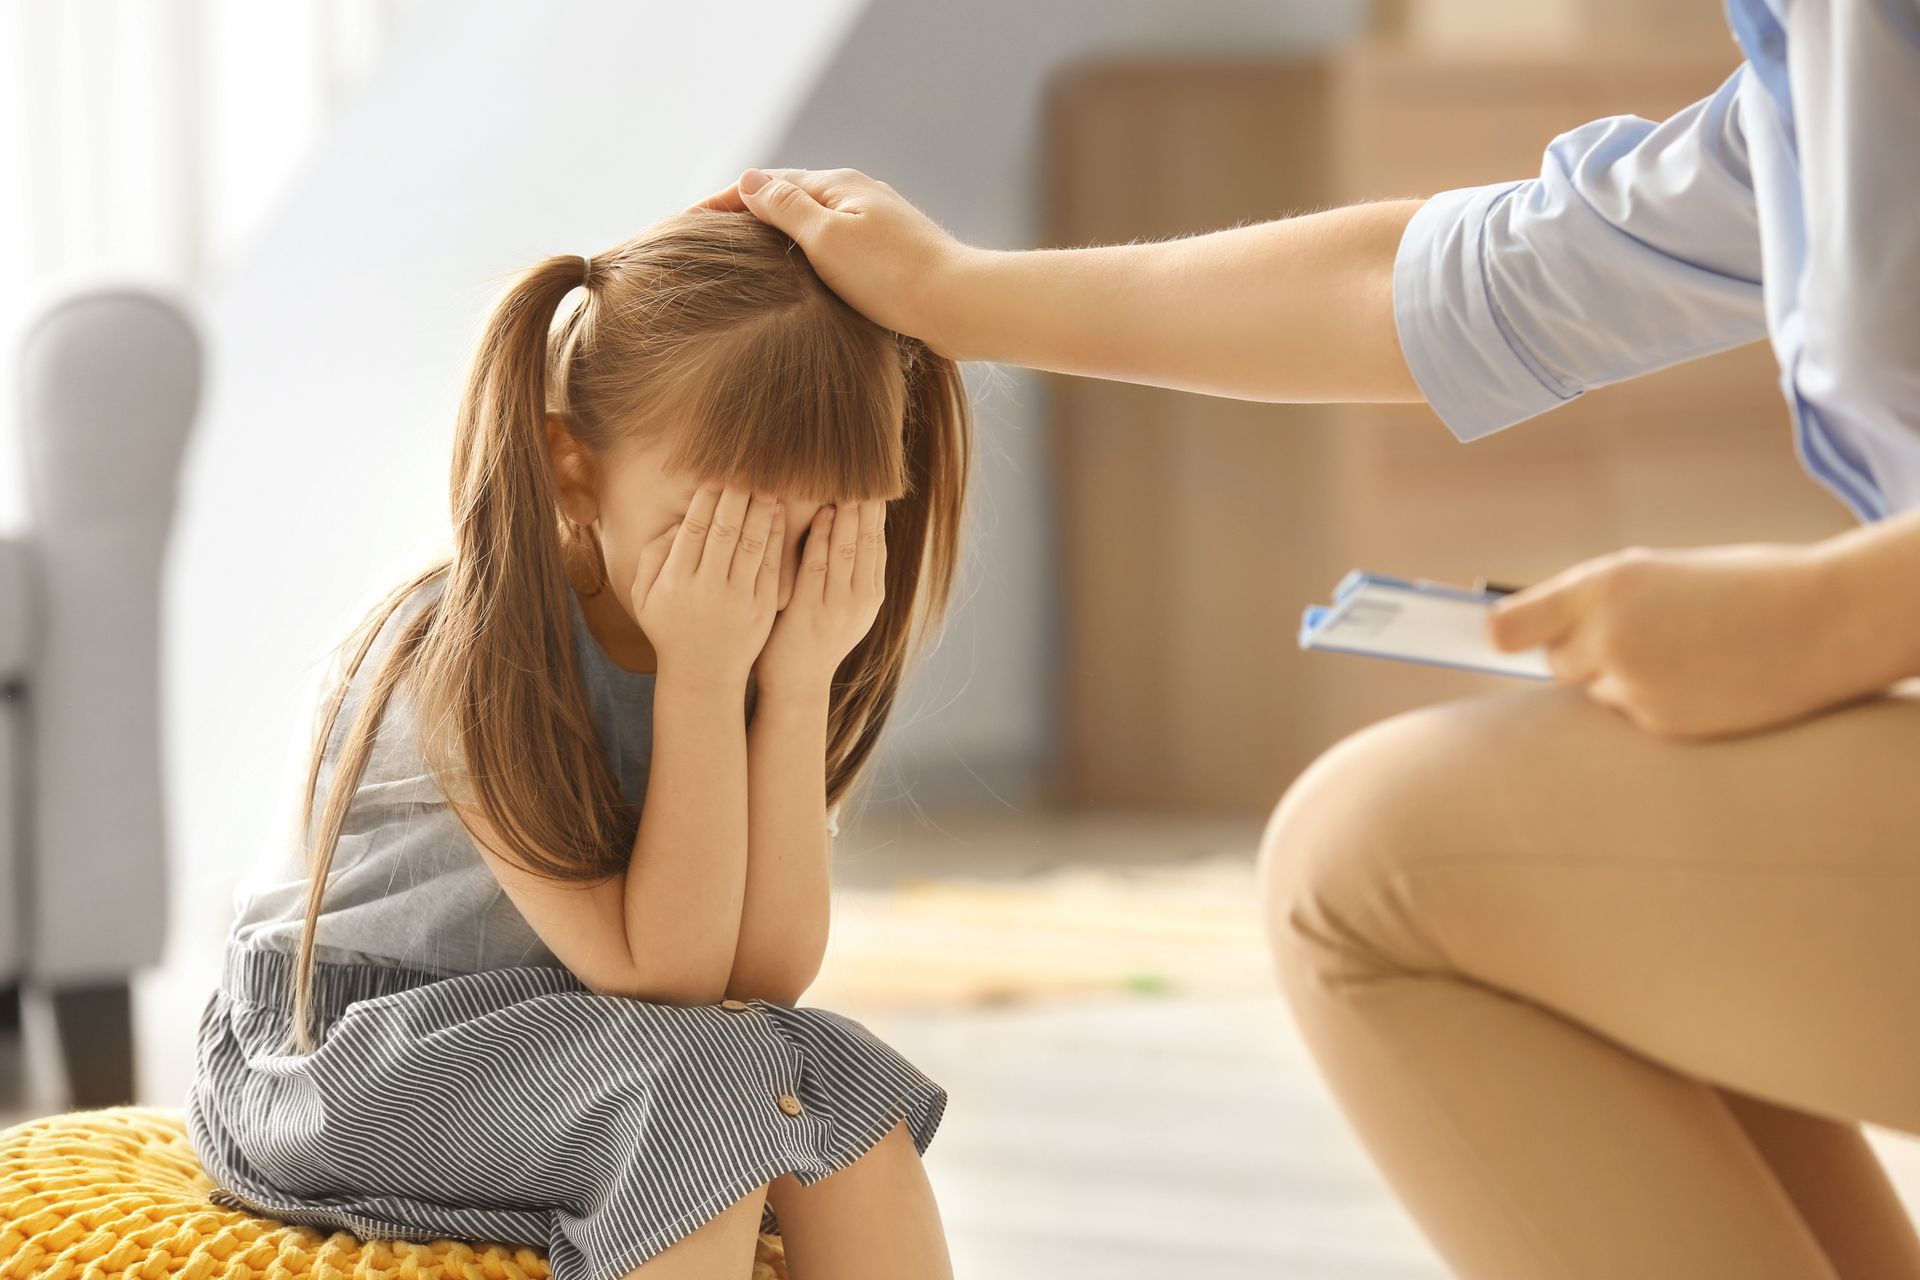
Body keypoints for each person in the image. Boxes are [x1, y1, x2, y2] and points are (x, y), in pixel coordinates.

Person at [696, 0, 1920, 1273]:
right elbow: (1490, 277)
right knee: (1613, 875)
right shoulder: (1815, 70)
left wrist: (1825, 617)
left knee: (1369, 868)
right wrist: (956, 293)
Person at [184, 210, 972, 1280]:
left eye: (821, 532)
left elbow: (762, 976)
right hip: (340, 1054)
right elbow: (670, 978)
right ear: (574, 469)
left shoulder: (756, 638)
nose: (763, 578)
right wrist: (704, 678)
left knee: (844, 1088)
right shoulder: (465, 647)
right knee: (701, 1102)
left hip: (570, 1036)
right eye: (722, 526)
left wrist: (794, 690)